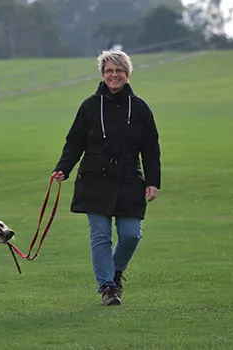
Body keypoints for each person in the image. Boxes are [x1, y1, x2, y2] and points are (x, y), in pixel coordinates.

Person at [52, 49, 161, 306]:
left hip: (130, 180)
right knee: (100, 235)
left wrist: (153, 181)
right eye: (109, 71)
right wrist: (63, 168)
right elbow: (74, 142)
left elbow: (151, 148)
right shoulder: (89, 106)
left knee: (132, 235)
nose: (114, 75)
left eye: (119, 71)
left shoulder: (141, 108)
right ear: (103, 74)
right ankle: (108, 287)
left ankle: (115, 271)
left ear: (127, 74)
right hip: (95, 180)